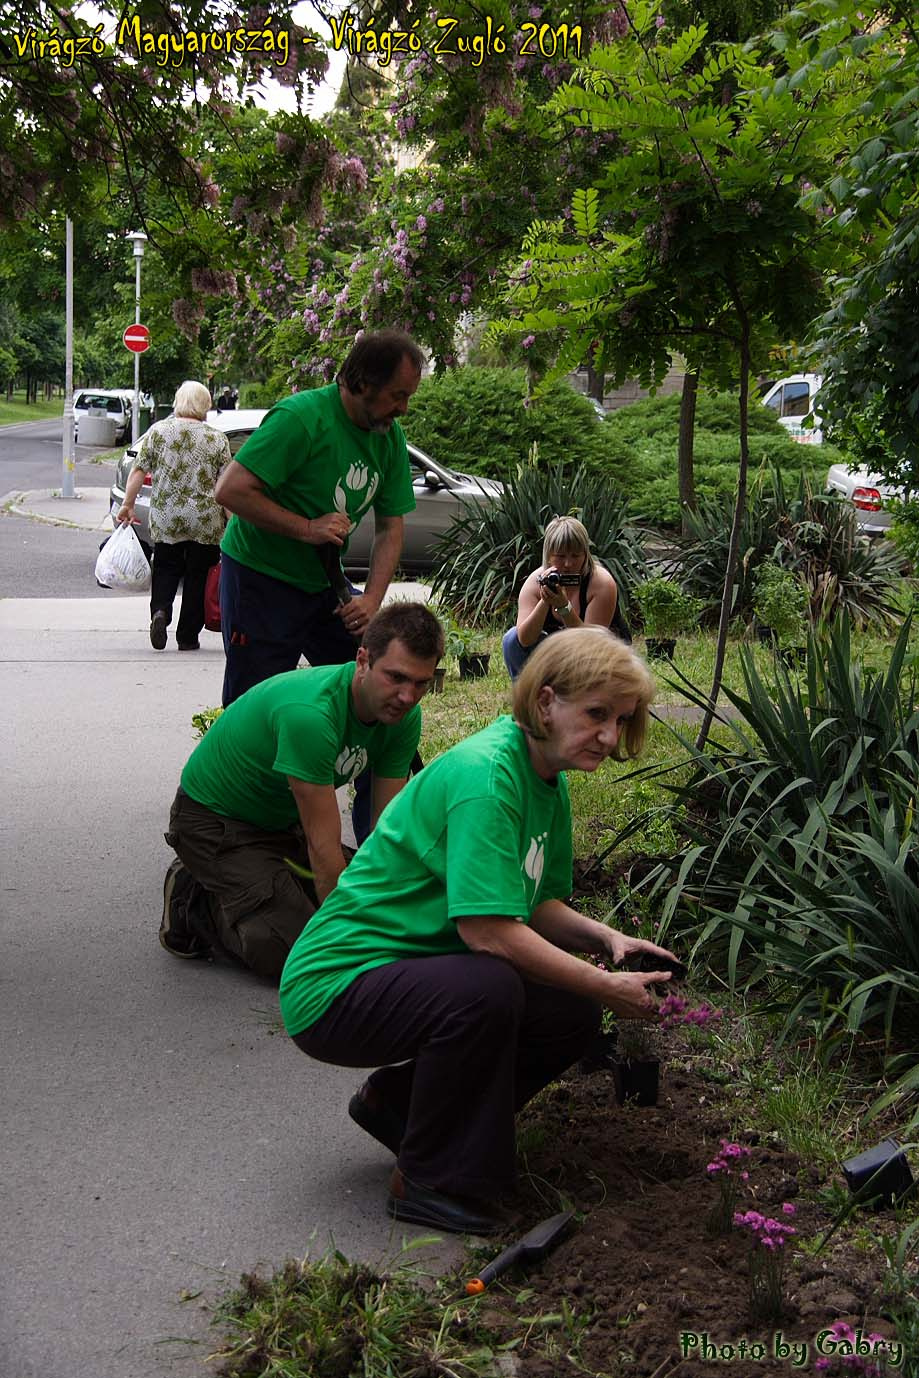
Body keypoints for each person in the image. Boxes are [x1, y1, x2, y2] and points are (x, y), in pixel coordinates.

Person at [279, 627, 679, 1234]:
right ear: (546, 702)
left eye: (621, 720)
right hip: (334, 987)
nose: (609, 735)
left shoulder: (545, 776)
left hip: (404, 973)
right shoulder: (489, 778)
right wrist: (608, 988)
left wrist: (606, 941)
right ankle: (430, 1178)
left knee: (566, 1007)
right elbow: (490, 930)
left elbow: (531, 903)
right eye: (596, 713)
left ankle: (402, 1107)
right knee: (489, 987)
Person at [160, 602, 444, 982]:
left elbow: (386, 832)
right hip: (213, 821)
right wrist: (359, 942)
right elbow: (323, 851)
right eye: (396, 677)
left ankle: (253, 886)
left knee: (380, 910)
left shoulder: (402, 716)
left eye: (421, 683)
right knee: (303, 959)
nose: (408, 696)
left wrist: (397, 912)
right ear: (363, 661)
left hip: (282, 822)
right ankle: (194, 901)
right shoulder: (311, 715)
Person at [213, 329, 425, 709]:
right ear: (362, 383)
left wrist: (372, 599)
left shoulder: (388, 438)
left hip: (323, 581)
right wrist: (307, 528)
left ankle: (360, 768)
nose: (404, 408)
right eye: (398, 396)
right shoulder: (301, 418)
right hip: (259, 579)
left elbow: (391, 526)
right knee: (256, 702)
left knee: (362, 687)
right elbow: (230, 490)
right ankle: (248, 768)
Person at [116, 380, 230, 652]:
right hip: (205, 520)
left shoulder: (158, 432)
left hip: (167, 516)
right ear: (205, 405)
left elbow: (138, 471)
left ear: (179, 402)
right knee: (198, 575)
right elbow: (225, 485)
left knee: (166, 567)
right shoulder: (216, 439)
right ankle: (188, 636)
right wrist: (233, 520)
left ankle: (161, 612)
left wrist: (128, 505)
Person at [501, 515, 630, 680]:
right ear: (549, 556)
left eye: (576, 556)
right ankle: (529, 699)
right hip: (557, 652)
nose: (568, 564)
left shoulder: (601, 583)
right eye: (561, 556)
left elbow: (592, 644)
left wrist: (564, 607)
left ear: (586, 554)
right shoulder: (535, 582)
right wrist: (545, 600)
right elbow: (523, 640)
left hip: (602, 657)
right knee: (511, 639)